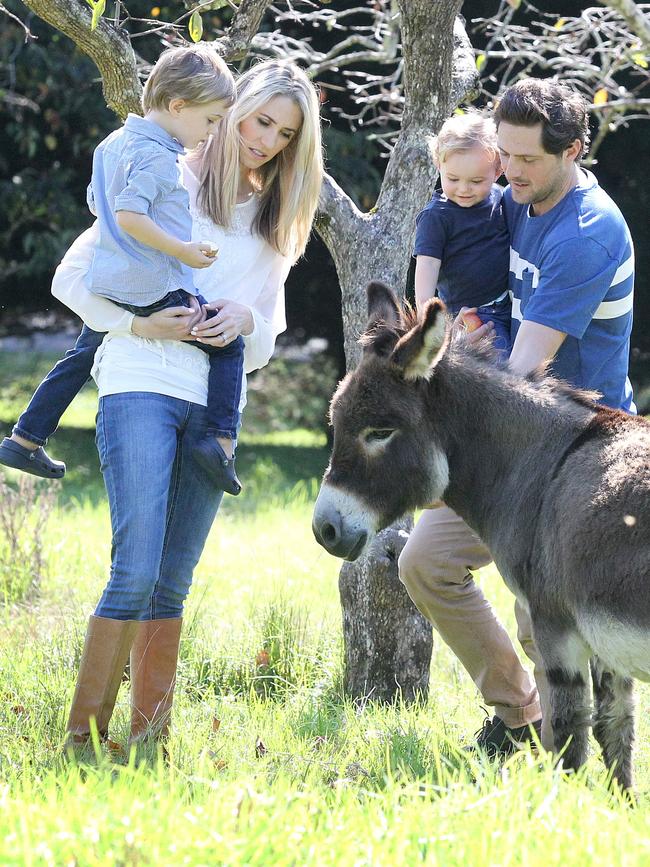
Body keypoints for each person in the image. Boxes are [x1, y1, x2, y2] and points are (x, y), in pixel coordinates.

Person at [46, 58, 323, 749]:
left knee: (171, 581)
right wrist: (136, 322)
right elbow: (71, 277)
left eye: (284, 134)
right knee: (135, 569)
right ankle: (82, 737)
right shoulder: (161, 177)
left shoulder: (271, 221)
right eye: (260, 120)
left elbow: (265, 336)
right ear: (230, 108)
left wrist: (244, 322)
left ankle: (148, 742)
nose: (265, 140)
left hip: (212, 404)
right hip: (139, 380)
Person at [399, 78, 635, 757]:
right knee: (426, 563)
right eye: (505, 154)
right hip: (511, 436)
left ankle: (589, 770)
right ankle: (521, 716)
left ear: (574, 151)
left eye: (527, 159)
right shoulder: (513, 197)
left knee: (547, 619)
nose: (511, 172)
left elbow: (529, 368)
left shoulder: (586, 234)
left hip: (581, 453)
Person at [0, 44, 245, 494]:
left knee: (82, 353)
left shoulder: (113, 143)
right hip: (153, 284)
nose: (211, 134)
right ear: (178, 106)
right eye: (210, 120)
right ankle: (221, 442)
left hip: (110, 280)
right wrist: (184, 250)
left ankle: (25, 437)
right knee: (229, 344)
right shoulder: (159, 157)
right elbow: (131, 215)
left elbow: (99, 205)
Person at [414, 111, 511, 355]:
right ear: (439, 164)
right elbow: (426, 269)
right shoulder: (437, 217)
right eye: (453, 179)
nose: (464, 189)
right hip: (471, 316)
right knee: (502, 375)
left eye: (476, 181)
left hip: (512, 304)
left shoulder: (502, 198)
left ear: (498, 169)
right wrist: (430, 325)